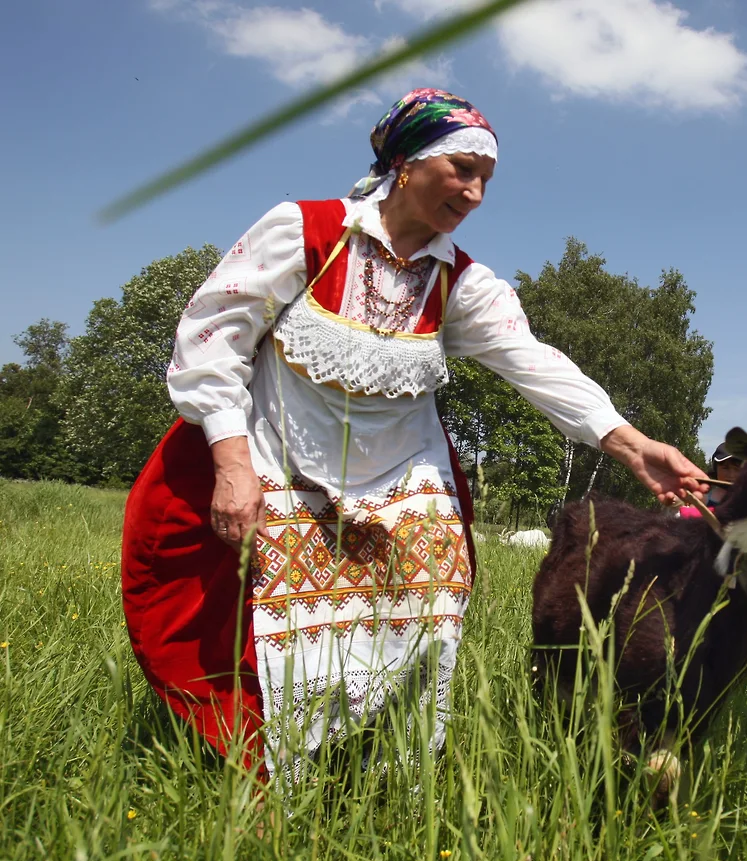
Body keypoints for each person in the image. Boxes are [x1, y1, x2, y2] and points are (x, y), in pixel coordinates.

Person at [121, 89, 708, 784]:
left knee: (427, 613)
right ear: (406, 164)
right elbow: (214, 336)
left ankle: (385, 781)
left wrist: (634, 444)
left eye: (486, 179)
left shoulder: (462, 283)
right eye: (463, 169)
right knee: (287, 633)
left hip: (401, 477)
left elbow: (536, 365)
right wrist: (230, 460)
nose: (476, 191)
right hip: (285, 458)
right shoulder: (305, 232)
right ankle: (279, 781)